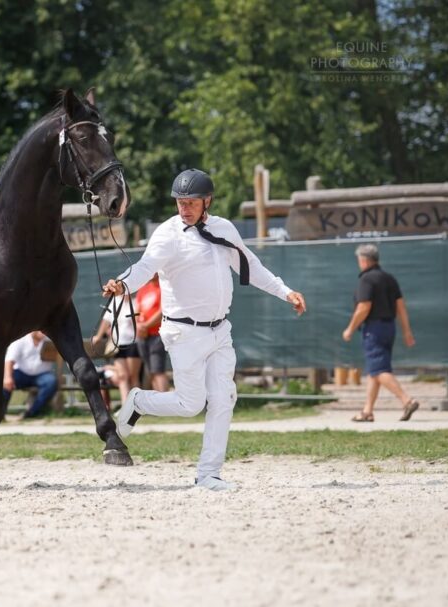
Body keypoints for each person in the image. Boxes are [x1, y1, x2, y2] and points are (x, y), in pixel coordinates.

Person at [103, 168, 306, 491]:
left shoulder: (223, 229)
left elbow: (250, 265)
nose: (184, 208)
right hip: (184, 333)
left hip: (219, 330)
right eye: (180, 202)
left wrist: (285, 291)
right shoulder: (168, 234)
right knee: (190, 404)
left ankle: (209, 474)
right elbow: (145, 267)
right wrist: (122, 285)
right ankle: (138, 401)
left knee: (224, 398)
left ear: (207, 201)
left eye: (191, 203)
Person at [342, 243, 419, 422]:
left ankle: (407, 401)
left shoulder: (366, 279)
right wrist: (407, 331)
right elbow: (400, 306)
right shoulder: (389, 278)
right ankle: (367, 411)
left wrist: (350, 329)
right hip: (389, 327)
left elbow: (363, 307)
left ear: (363, 260)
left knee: (379, 370)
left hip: (374, 329)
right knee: (374, 371)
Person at [90, 294, 141, 405]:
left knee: (133, 376)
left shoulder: (137, 301)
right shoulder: (115, 301)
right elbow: (106, 320)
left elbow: (139, 320)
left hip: (134, 343)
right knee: (123, 376)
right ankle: (126, 406)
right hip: (118, 344)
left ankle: (137, 405)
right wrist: (98, 336)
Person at [3, 331, 59, 419]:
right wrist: (8, 377)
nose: (41, 331)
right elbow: (9, 360)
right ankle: (0, 413)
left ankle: (32, 412)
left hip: (42, 375)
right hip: (21, 374)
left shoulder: (51, 341)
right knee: (6, 382)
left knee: (51, 382)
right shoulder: (20, 340)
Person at [136, 275, 169, 391]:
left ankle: (166, 400)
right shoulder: (143, 289)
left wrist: (145, 325)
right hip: (143, 336)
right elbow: (136, 310)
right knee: (151, 371)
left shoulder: (164, 287)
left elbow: (163, 311)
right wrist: (138, 325)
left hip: (157, 335)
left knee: (158, 370)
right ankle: (160, 403)